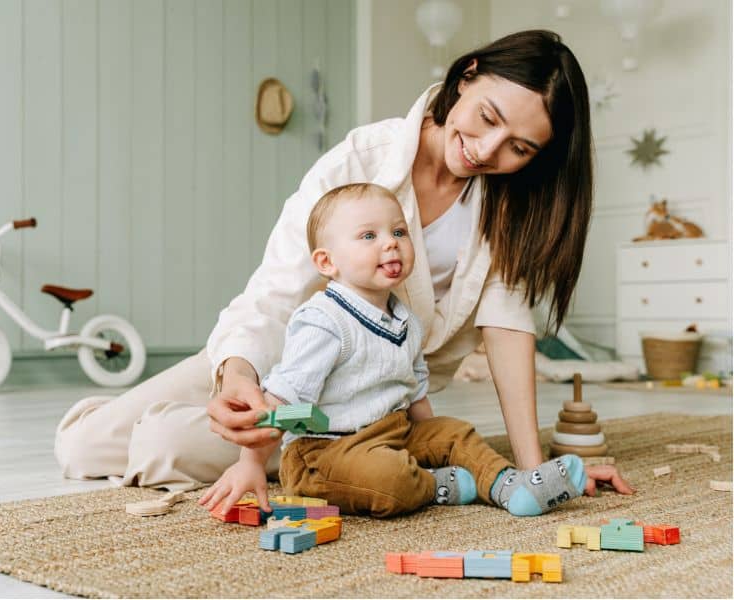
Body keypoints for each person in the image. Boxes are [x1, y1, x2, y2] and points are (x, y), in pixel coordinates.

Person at [54, 30, 633, 498]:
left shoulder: (510, 208)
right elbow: (275, 292)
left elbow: (507, 331)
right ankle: (181, 413)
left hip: (367, 404)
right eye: (487, 117)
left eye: (519, 147)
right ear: (467, 75)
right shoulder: (363, 159)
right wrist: (236, 375)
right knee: (81, 447)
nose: (487, 149)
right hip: (282, 355)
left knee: (162, 447)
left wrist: (533, 470)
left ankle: (328, 453)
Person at [199, 182, 593, 518]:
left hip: (392, 431)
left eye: (399, 233)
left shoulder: (405, 318)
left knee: (457, 433)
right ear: (327, 261)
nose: (391, 243)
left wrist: (434, 442)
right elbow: (283, 401)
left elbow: (414, 389)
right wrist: (250, 463)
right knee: (390, 479)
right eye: (369, 236)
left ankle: (512, 486)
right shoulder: (324, 320)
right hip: (325, 453)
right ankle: (435, 485)